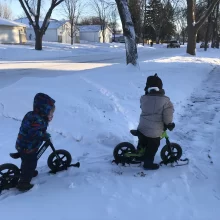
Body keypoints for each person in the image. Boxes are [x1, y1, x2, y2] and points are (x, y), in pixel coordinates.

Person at [15, 93, 55, 192]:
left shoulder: (32, 115)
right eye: (50, 112)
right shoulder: (38, 120)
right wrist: (43, 136)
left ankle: (28, 172)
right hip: (28, 147)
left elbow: (31, 128)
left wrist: (42, 132)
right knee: (31, 163)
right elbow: (34, 133)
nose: (51, 115)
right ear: (43, 110)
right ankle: (23, 183)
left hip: (22, 143)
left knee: (26, 162)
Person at [137, 74, 174, 170]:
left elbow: (143, 108)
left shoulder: (143, 98)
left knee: (143, 141)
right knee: (153, 146)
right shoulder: (166, 101)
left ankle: (140, 154)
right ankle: (148, 163)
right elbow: (167, 115)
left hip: (142, 127)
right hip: (154, 131)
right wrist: (168, 124)